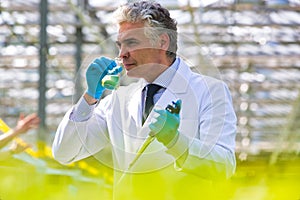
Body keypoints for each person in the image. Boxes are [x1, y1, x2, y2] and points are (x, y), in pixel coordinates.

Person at [52, 1, 237, 199]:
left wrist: (176, 142)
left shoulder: (209, 91)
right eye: (120, 45)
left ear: (162, 42)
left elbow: (223, 166)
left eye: (131, 43)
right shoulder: (118, 100)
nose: (122, 54)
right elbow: (65, 153)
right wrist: (90, 97)